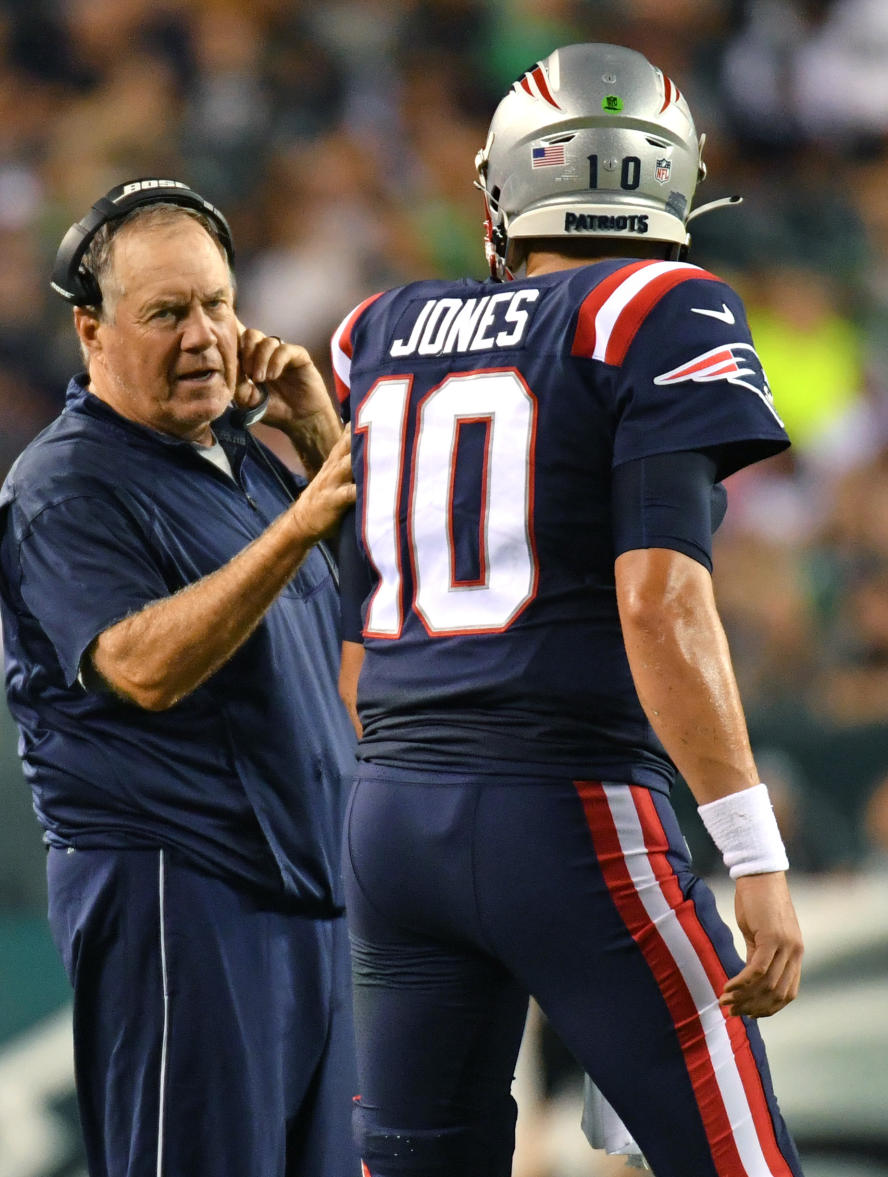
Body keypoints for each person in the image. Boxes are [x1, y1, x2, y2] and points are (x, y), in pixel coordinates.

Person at [330, 44, 805, 1177]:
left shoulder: (381, 329)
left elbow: (357, 634)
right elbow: (661, 597)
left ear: (508, 189)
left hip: (393, 813)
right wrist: (754, 852)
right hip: (570, 809)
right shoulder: (663, 308)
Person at [0, 179, 360, 1177]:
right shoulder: (66, 486)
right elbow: (141, 667)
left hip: (308, 890)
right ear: (91, 331)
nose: (203, 335)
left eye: (217, 304)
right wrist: (293, 527)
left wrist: (319, 431)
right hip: (180, 890)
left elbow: (379, 605)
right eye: (165, 312)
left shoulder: (243, 458)